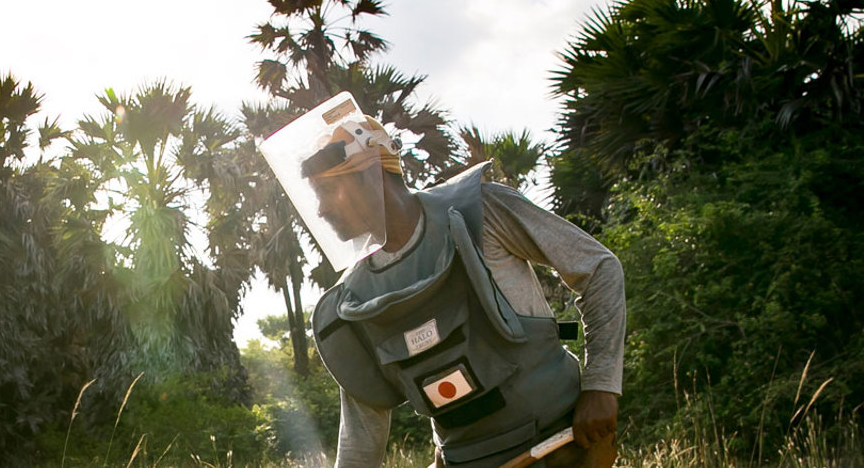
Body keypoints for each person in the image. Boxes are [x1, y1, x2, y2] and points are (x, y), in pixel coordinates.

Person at [260, 94, 624, 468]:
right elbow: (361, 431)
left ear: (371, 172)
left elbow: (599, 269)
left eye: (325, 189)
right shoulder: (355, 298)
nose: (320, 209)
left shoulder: (477, 210)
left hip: (561, 443)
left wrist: (601, 384)